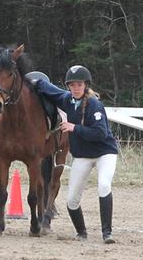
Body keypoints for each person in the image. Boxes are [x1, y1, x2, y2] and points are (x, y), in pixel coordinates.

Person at [36, 64, 119, 244]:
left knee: (104, 185)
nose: (76, 88)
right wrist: (34, 81)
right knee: (72, 200)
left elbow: (100, 133)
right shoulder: (67, 100)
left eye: (79, 85)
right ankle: (81, 232)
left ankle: (107, 233)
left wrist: (74, 128)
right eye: (72, 85)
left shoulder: (94, 105)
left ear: (86, 85)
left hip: (104, 152)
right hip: (82, 155)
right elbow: (50, 90)